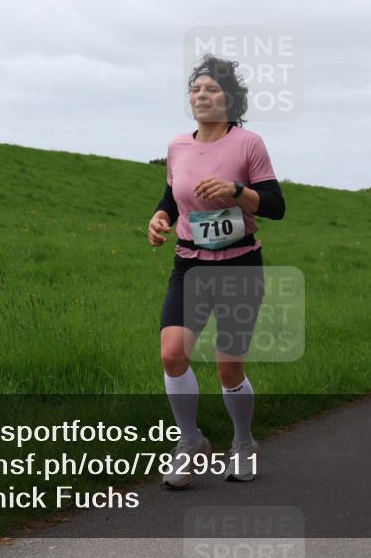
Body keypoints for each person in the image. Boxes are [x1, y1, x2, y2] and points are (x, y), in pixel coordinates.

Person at [148, 54, 285, 488]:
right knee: (172, 353)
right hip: (189, 263)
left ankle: (243, 443)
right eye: (196, 89)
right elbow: (172, 194)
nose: (201, 95)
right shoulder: (177, 146)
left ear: (230, 99)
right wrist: (159, 218)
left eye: (211, 89)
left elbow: (276, 206)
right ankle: (190, 442)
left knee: (229, 368)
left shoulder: (249, 144)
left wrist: (237, 191)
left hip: (239, 264)